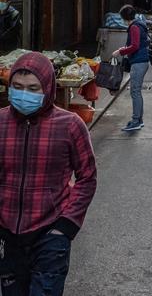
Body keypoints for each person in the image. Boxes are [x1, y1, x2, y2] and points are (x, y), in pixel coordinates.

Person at [0, 52, 97, 296]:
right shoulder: (0, 123)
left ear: (48, 88)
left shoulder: (70, 124)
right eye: (18, 87)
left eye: (33, 88)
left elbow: (87, 177)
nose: (24, 94)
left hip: (50, 235)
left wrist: (65, 226)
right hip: (7, 237)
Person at [112, 4, 150, 131]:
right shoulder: (139, 24)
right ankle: (139, 119)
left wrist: (120, 52)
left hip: (139, 62)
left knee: (135, 91)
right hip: (141, 61)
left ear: (125, 17)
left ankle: (136, 121)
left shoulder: (134, 27)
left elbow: (135, 46)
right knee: (136, 91)